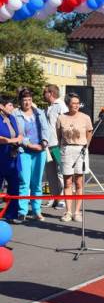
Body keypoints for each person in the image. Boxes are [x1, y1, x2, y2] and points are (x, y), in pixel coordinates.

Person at [13, 88, 50, 222]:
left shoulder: (39, 112)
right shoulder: (15, 114)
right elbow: (16, 134)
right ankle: (22, 212)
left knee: (37, 183)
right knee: (24, 182)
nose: (27, 103)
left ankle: (36, 211)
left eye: (29, 100)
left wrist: (44, 142)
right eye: (24, 100)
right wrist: (28, 144)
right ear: (20, 101)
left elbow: (46, 129)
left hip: (40, 152)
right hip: (25, 152)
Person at [56, 93, 93, 223]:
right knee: (67, 182)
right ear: (68, 104)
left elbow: (89, 133)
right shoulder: (61, 118)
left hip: (81, 150)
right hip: (66, 149)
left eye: (78, 103)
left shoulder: (85, 117)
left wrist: (85, 146)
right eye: (73, 103)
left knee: (79, 182)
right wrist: (63, 148)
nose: (76, 105)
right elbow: (59, 135)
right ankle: (68, 212)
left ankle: (77, 212)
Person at [43, 84, 68, 210]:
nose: (43, 94)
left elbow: (65, 124)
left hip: (57, 145)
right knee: (50, 173)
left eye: (45, 92)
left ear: (51, 93)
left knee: (60, 171)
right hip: (48, 145)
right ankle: (54, 197)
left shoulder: (61, 106)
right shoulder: (49, 107)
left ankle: (62, 198)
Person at [0, 97, 23, 223]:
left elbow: (20, 134)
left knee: (14, 187)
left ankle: (12, 214)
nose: (12, 108)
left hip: (13, 158)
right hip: (1, 158)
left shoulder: (13, 118)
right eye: (9, 105)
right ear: (1, 106)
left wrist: (18, 139)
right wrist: (12, 141)